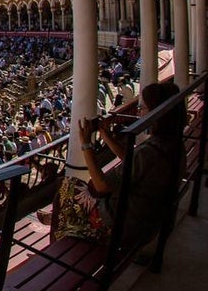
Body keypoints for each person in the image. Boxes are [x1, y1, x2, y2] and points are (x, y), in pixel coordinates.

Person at [77, 80, 185, 251]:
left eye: (144, 108)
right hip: (150, 219)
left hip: (125, 226)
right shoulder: (172, 143)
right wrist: (106, 137)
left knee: (68, 189)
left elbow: (102, 186)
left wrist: (86, 145)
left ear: (158, 113)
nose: (140, 112)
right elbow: (133, 162)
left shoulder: (150, 151)